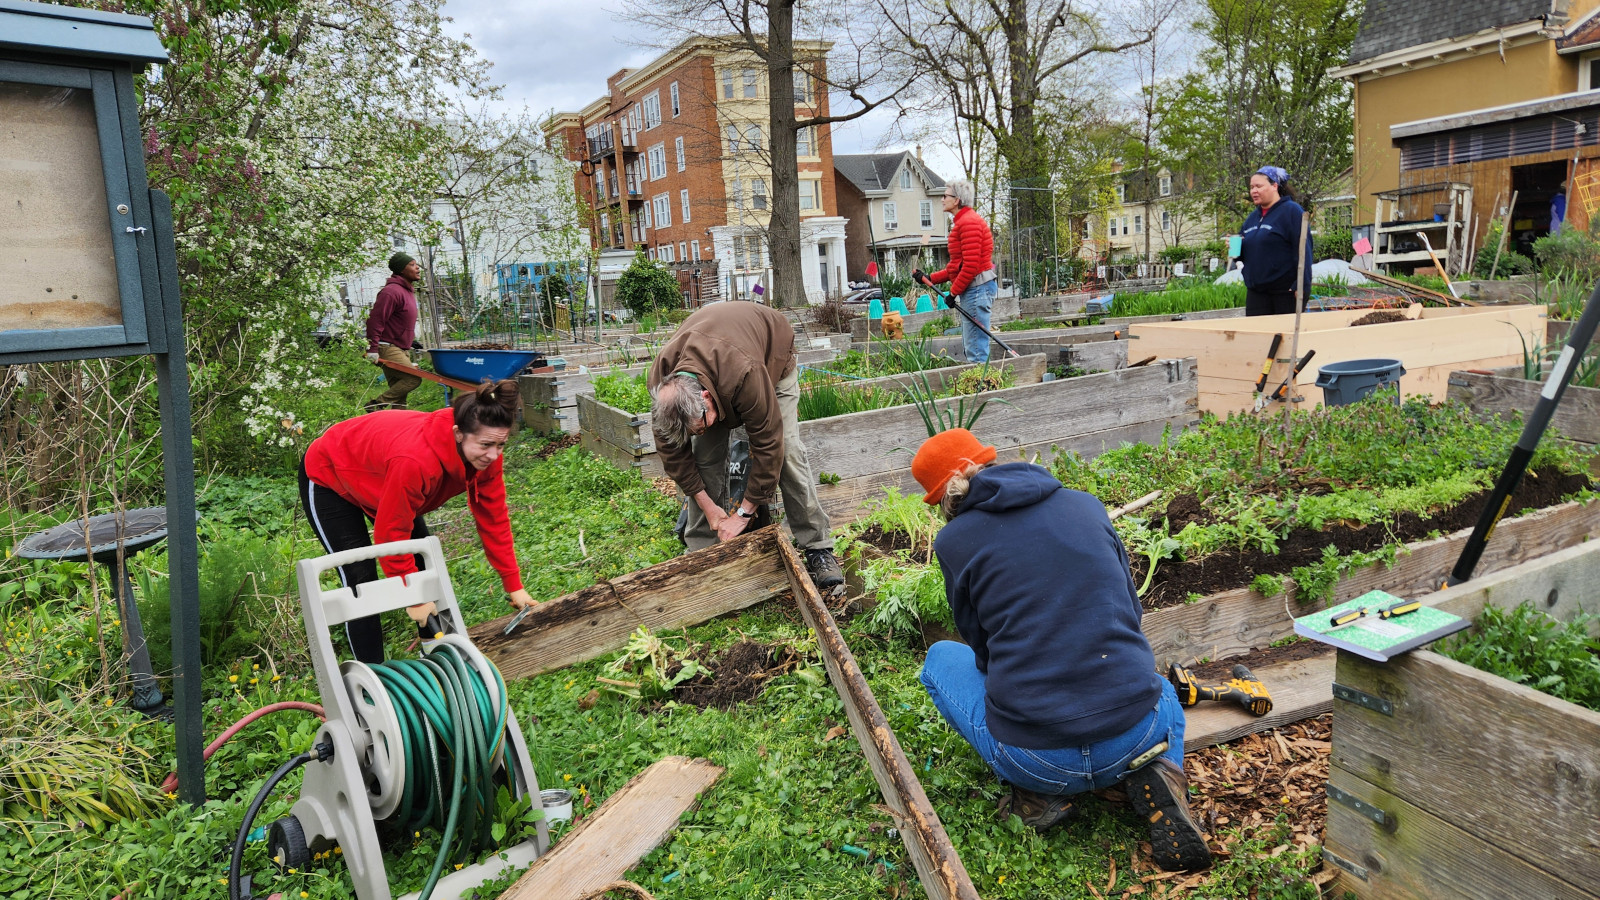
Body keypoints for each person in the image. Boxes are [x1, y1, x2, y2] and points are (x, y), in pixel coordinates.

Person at [910, 428, 1211, 872]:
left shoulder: (955, 541)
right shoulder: (1085, 505)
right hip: (1137, 734)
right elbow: (1131, 608)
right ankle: (1160, 771)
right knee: (1161, 688)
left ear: (948, 496)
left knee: (939, 659)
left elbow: (979, 645)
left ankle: (1037, 795)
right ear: (992, 461)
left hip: (1036, 758)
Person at [299, 380, 536, 662]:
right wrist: (413, 596)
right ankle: (372, 675)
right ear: (458, 434)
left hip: (383, 477)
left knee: (424, 568)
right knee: (360, 582)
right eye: (486, 445)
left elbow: (494, 518)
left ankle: (437, 656)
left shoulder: (487, 455)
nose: (494, 455)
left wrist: (514, 584)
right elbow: (391, 532)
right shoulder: (416, 462)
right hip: (332, 474)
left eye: (501, 445)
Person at [647, 301, 845, 594]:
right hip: (720, 360)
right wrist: (711, 509)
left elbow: (768, 444)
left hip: (770, 356)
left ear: (706, 398)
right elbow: (675, 457)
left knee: (788, 451)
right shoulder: (664, 387)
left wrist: (743, 515)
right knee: (703, 456)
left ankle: (818, 546)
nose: (702, 431)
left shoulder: (745, 372)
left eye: (701, 424)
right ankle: (701, 552)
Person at [916, 180, 997, 363]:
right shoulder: (963, 222)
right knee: (973, 345)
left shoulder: (969, 223)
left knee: (976, 348)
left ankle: (982, 388)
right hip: (974, 288)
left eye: (945, 196)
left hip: (977, 288)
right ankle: (981, 386)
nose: (942, 199)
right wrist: (929, 278)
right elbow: (957, 267)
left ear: (957, 200)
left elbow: (970, 266)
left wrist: (953, 293)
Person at [1238, 166, 1312, 317]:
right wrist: (1237, 248)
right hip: (1256, 293)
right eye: (1251, 187)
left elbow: (1304, 250)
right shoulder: (1252, 218)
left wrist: (1302, 284)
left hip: (1284, 293)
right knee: (1258, 337)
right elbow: (1248, 254)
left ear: (1274, 186)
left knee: (1283, 338)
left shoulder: (1291, 211)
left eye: (1259, 186)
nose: (1253, 191)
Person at [366, 252, 425, 411]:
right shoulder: (391, 292)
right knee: (413, 379)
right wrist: (372, 348)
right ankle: (376, 405)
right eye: (412, 265)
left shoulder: (407, 291)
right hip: (387, 347)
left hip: (400, 347)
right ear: (401, 270)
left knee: (400, 398)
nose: (417, 268)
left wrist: (409, 341)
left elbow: (398, 321)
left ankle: (395, 427)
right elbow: (376, 320)